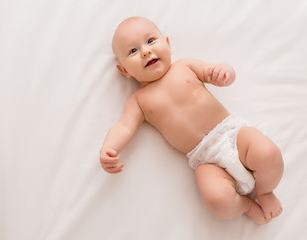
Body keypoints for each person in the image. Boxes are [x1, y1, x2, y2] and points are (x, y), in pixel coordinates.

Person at [100, 16, 284, 224]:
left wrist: (225, 74)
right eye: (133, 51)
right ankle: (246, 205)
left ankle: (265, 192)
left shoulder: (185, 66)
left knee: (268, 154)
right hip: (205, 159)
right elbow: (124, 126)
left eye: (150, 41)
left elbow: (216, 71)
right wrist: (110, 147)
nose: (145, 51)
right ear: (124, 70)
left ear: (167, 44)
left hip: (233, 134)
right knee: (217, 201)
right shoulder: (138, 101)